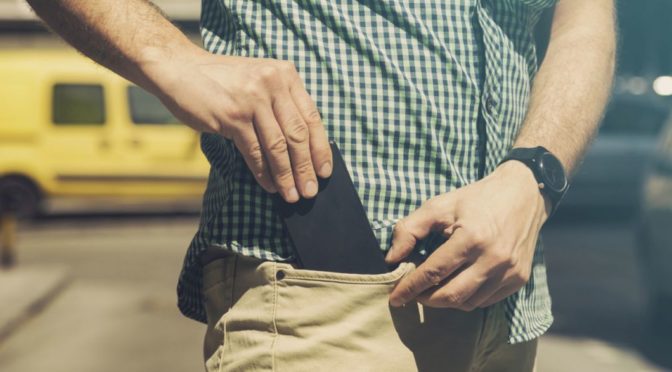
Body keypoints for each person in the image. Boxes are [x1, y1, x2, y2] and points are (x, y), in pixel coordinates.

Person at [26, 0, 615, 370]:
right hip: (326, 297)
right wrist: (172, 58)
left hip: (509, 303)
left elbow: (584, 16)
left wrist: (535, 173)